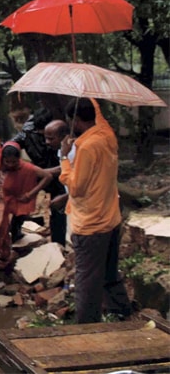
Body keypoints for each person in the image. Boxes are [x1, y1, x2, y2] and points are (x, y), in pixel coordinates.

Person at [59, 98, 132, 324]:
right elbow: (96, 113)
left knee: (87, 282)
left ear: (76, 120)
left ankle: (86, 327)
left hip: (91, 224)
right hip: (110, 218)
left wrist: (64, 158)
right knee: (109, 273)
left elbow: (77, 188)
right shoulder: (107, 135)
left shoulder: (88, 147)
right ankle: (121, 312)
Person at [0, 133, 52, 297]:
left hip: (2, 207)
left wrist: (30, 194)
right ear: (3, 159)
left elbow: (47, 176)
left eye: (14, 162)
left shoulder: (25, 168)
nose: (11, 165)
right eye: (8, 162)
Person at [10, 107, 68, 246]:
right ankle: (15, 233)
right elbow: (12, 145)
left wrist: (50, 172)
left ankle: (58, 243)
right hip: (37, 170)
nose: (46, 141)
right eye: (42, 135)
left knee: (58, 207)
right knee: (23, 199)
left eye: (49, 137)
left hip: (58, 173)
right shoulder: (28, 131)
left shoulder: (63, 134)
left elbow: (69, 163)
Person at [43, 119, 72, 247]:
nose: (47, 142)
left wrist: (67, 197)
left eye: (51, 138)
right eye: (46, 138)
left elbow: (82, 181)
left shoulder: (74, 151)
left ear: (63, 137)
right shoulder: (62, 150)